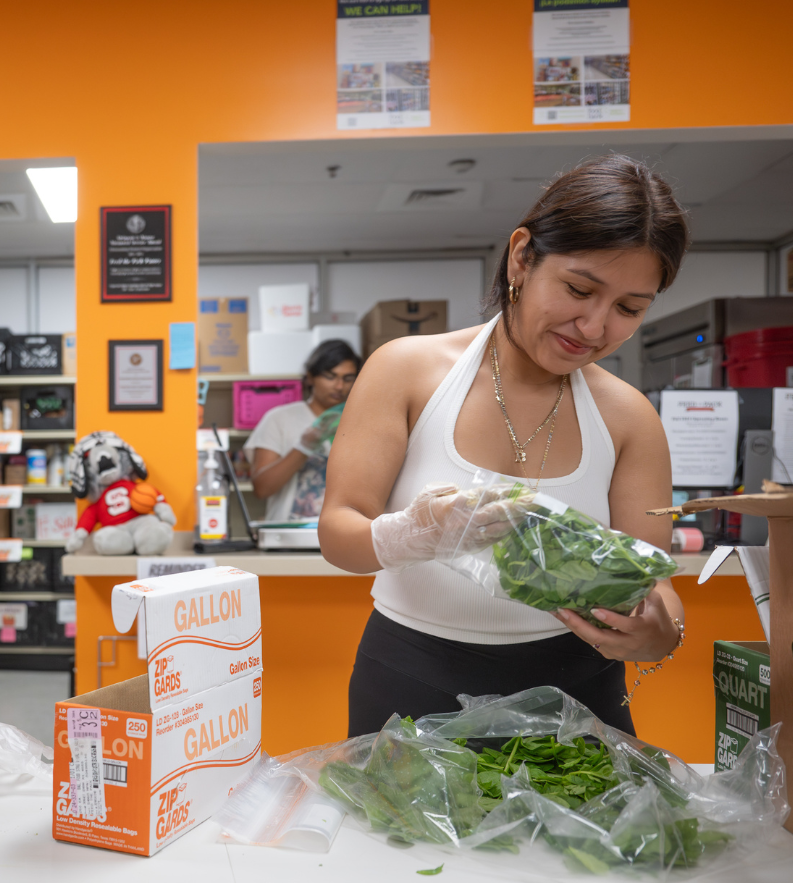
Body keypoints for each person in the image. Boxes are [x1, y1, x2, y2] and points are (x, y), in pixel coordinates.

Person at [320, 154, 688, 736]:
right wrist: (411, 534)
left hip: (577, 690)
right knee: (395, 830)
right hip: (412, 674)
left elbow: (654, 584)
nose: (593, 327)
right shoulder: (407, 371)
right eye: (578, 289)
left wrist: (661, 631)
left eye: (628, 309)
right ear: (522, 256)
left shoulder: (629, 418)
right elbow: (338, 533)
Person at [245, 339, 361, 522]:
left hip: (342, 536)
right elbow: (262, 489)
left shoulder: (363, 422)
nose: (339, 386)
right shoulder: (280, 419)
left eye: (348, 378)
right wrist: (304, 447)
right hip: (289, 540)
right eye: (330, 377)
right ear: (310, 377)